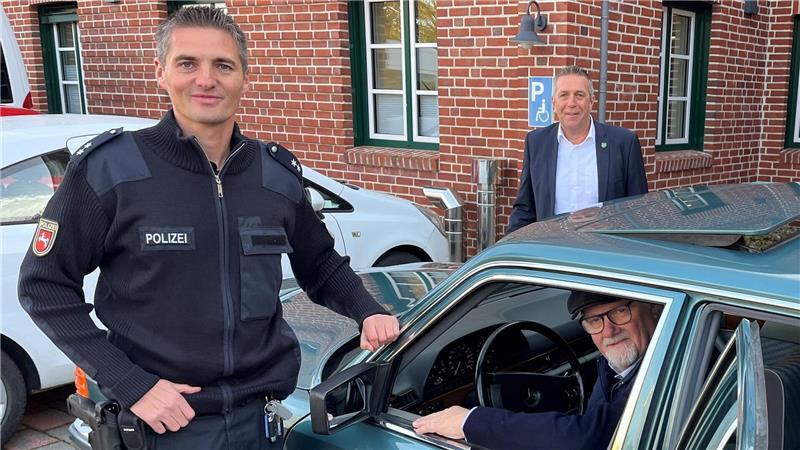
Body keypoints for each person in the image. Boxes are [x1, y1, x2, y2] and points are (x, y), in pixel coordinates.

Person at [18, 7, 399, 449]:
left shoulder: (274, 173)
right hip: (164, 425)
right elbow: (44, 287)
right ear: (161, 73)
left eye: (223, 65)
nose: (206, 79)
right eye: (187, 64)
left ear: (243, 77)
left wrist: (366, 310)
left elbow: (319, 263)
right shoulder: (111, 170)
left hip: (260, 421)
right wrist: (131, 383)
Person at [412, 292, 662, 450]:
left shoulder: (661, 372)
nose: (608, 331)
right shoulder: (617, 363)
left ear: (653, 308)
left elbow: (586, 439)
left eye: (620, 312)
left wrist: (470, 421)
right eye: (595, 321)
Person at [506, 66, 648, 234]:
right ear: (554, 102)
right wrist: (509, 248)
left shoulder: (624, 143)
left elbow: (638, 210)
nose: (571, 103)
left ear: (592, 100)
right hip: (552, 248)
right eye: (564, 95)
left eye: (579, 95)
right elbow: (525, 208)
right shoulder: (536, 143)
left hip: (606, 250)